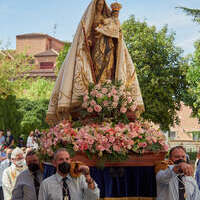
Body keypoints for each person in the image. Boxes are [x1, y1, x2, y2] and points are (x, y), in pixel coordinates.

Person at [46, 0, 144, 124]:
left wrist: (114, 22)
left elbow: (117, 32)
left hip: (109, 47)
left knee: (109, 70)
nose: (100, 6)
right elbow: (88, 34)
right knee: (97, 70)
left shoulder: (109, 18)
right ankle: (98, 92)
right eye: (98, 4)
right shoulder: (92, 18)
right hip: (97, 48)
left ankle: (107, 90)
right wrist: (90, 41)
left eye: (102, 4)